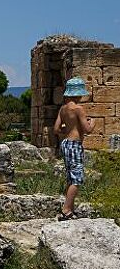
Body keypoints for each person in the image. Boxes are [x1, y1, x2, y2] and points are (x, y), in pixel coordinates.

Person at [53, 77, 95, 221]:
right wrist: (92, 122)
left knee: (71, 178)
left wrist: (70, 130)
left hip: (65, 144)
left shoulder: (63, 109)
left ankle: (69, 208)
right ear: (78, 94)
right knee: (77, 179)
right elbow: (87, 130)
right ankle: (66, 210)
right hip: (75, 145)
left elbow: (56, 129)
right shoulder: (78, 109)